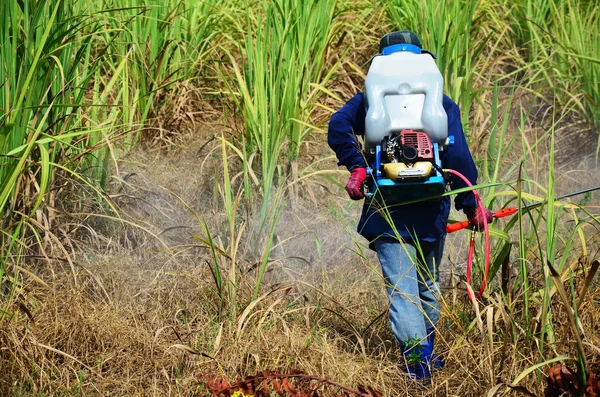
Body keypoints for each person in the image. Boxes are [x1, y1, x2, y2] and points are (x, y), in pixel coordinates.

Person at [327, 30, 493, 380]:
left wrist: (358, 165)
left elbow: (337, 124)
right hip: (431, 208)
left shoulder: (370, 99)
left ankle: (420, 366)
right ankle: (426, 356)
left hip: (386, 208)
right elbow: (459, 156)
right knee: (428, 286)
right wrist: (470, 204)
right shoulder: (441, 102)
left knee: (404, 292)